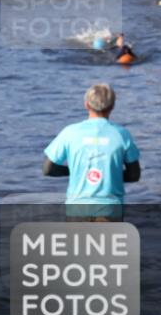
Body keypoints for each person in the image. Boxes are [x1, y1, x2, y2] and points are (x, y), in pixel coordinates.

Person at [42, 83, 141, 220]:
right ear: (112, 106)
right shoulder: (122, 134)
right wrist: (110, 174)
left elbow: (47, 169)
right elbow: (134, 175)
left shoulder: (70, 132)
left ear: (87, 105)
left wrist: (76, 171)